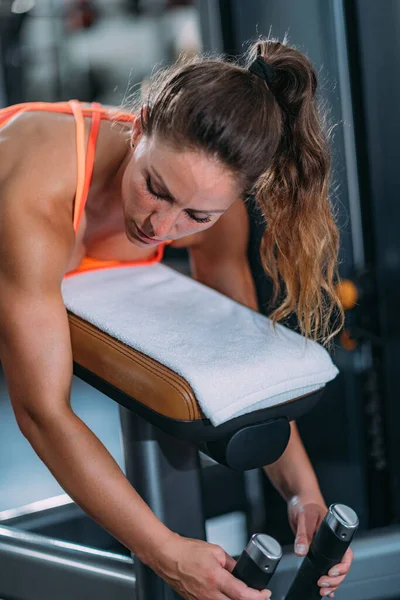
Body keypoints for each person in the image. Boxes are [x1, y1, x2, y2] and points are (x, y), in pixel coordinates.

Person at [0, 36, 351, 600]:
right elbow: (41, 411)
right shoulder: (39, 187)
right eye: (154, 190)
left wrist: (302, 495)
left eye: (196, 215)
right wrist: (164, 552)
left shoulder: (221, 215)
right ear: (138, 127)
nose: (162, 228)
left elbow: (246, 366)